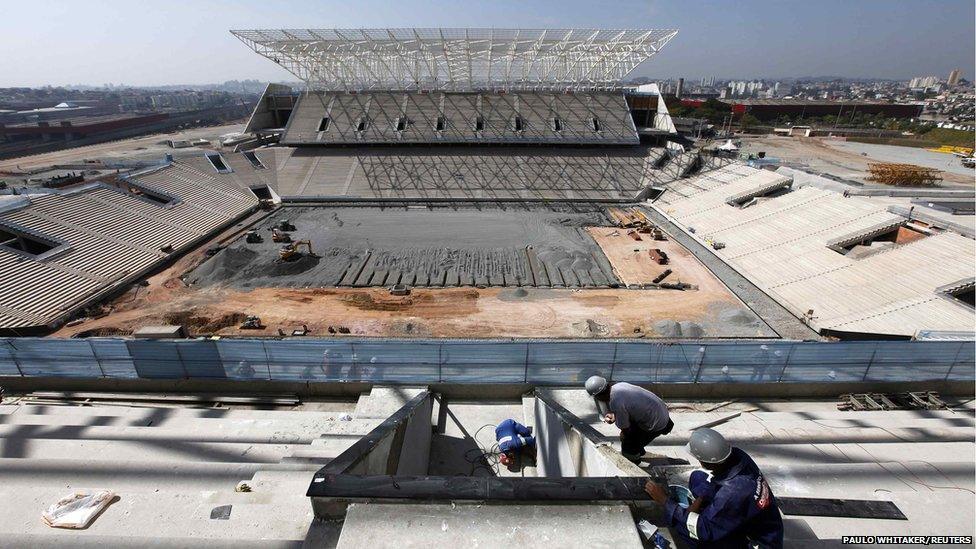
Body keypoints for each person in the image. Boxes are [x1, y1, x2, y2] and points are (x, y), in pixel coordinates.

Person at [644, 428, 784, 548]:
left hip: (757, 544)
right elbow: (719, 483)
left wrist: (665, 501)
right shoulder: (738, 456)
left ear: (705, 462)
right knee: (697, 478)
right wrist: (699, 501)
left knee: (686, 531)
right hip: (756, 517)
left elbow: (703, 530)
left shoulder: (731, 494)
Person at [584, 375, 673, 464]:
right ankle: (639, 450)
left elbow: (625, 428)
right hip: (662, 414)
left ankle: (634, 463)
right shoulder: (619, 386)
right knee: (632, 430)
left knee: (627, 443)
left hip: (656, 423)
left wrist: (622, 430)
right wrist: (616, 414)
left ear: (599, 396)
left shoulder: (616, 401)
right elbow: (629, 405)